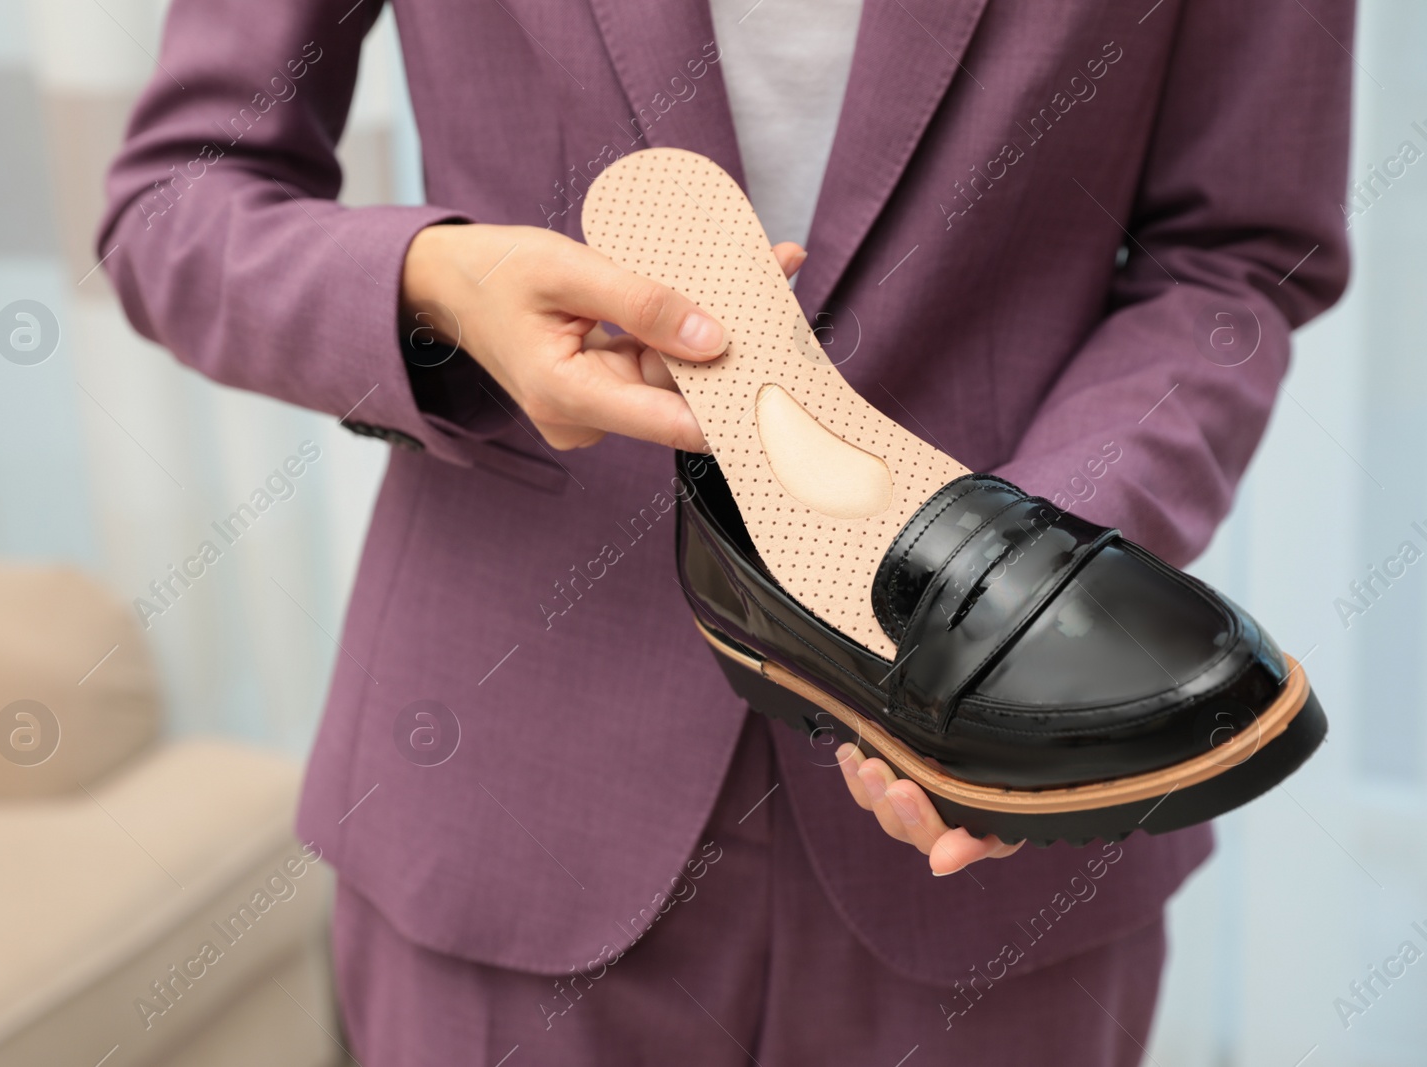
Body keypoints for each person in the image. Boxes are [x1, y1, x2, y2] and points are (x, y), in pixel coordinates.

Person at [101, 0, 1353, 1061]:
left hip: (1008, 826)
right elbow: (180, 201)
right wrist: (440, 287)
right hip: (510, 782)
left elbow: (1233, 250)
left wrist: (1023, 579)